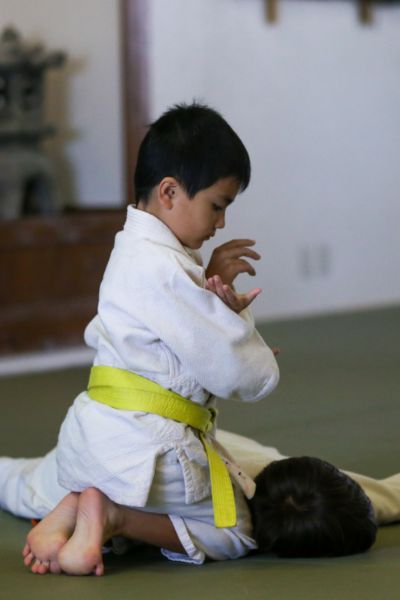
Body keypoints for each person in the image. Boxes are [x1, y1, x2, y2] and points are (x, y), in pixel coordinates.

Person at [0, 102, 281, 571]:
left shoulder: (133, 251)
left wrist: (208, 292)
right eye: (218, 205)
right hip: (148, 454)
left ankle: (70, 507)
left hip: (87, 441)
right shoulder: (167, 271)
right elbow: (249, 378)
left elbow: (183, 337)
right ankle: (113, 517)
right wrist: (232, 313)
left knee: (26, 483)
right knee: (238, 529)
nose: (221, 224)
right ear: (169, 191)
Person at [4, 429, 400, 576]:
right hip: (84, 480)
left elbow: (381, 498)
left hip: (128, 427)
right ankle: (94, 517)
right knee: (15, 483)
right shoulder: (239, 534)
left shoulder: (280, 472)